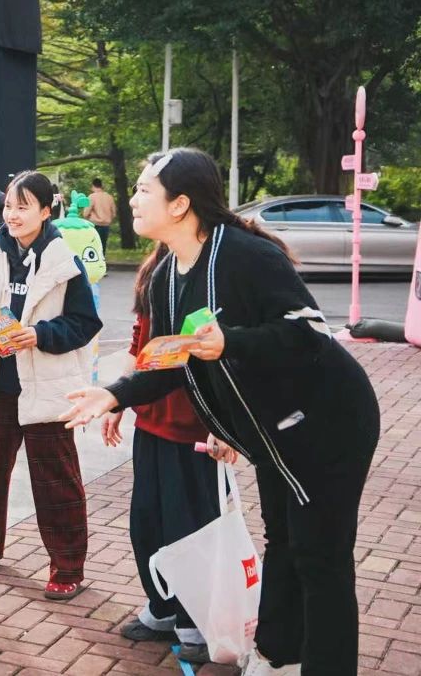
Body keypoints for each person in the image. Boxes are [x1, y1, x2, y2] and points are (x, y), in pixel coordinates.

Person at [61, 148, 380, 676]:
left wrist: (231, 341)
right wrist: (115, 394)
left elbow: (308, 333)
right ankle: (278, 656)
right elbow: (173, 362)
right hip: (272, 432)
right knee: (283, 540)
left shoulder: (246, 255)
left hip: (328, 422)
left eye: (143, 190)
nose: (132, 199)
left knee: (320, 553)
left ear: (180, 204)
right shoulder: (165, 274)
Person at [0, 171, 102, 601]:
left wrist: (39, 335)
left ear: (46, 211)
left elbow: (85, 323)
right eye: (9, 207)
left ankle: (67, 567)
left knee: (56, 481)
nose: (13, 215)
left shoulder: (64, 262)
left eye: (23, 207)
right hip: (0, 385)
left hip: (47, 389)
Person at [98, 243, 218, 665]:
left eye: (143, 205)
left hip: (193, 426)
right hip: (151, 419)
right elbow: (140, 341)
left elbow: (226, 356)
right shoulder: (158, 266)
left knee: (189, 527)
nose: (136, 210)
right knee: (147, 522)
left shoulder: (214, 265)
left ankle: (196, 621)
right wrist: (119, 399)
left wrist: (225, 427)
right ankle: (163, 607)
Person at [83, 177, 118, 252]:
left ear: (93, 186)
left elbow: (85, 213)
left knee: (94, 246)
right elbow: (114, 213)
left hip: (94, 225)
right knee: (103, 246)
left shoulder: (91, 197)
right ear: (101, 186)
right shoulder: (109, 197)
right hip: (106, 225)